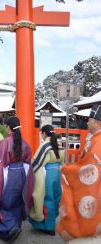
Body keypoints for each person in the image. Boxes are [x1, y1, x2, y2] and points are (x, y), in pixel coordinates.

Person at [0, 116, 34, 243]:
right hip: (21, 174)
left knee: (4, 201)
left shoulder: (5, 142)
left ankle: (9, 228)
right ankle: (15, 226)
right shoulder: (24, 143)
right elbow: (28, 161)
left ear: (8, 127)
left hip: (8, 174)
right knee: (17, 200)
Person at [56, 104, 101, 243]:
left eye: (90, 119)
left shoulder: (98, 141)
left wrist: (67, 170)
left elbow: (89, 168)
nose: (87, 122)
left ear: (98, 122)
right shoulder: (94, 139)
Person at [29, 124, 65, 236]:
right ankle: (52, 222)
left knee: (47, 198)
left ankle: (48, 226)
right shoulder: (59, 144)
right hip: (58, 173)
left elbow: (36, 162)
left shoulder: (45, 145)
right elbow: (62, 161)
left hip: (48, 174)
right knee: (56, 197)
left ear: (44, 133)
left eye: (42, 133)